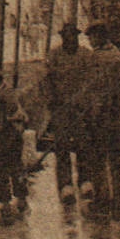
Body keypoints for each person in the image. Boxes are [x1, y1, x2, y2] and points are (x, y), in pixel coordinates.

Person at [83, 20, 120, 218]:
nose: (90, 40)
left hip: (102, 117)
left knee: (98, 161)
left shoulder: (99, 58)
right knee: (116, 160)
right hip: (117, 116)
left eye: (92, 37)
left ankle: (102, 203)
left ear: (100, 36)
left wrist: (91, 114)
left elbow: (97, 91)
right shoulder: (116, 54)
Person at [43, 23, 92, 204]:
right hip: (61, 108)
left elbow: (92, 81)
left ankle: (85, 181)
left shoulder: (86, 55)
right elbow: (47, 81)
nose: (69, 40)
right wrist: (52, 102)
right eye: (66, 36)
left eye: (72, 36)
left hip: (80, 108)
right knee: (62, 146)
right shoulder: (54, 55)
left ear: (77, 37)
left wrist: (85, 102)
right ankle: (65, 185)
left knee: (83, 144)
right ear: (62, 38)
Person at [0, 64, 30, 222]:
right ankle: (22, 201)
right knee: (17, 168)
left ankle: (5, 206)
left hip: (3, 139)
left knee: (2, 170)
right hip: (16, 138)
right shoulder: (11, 92)